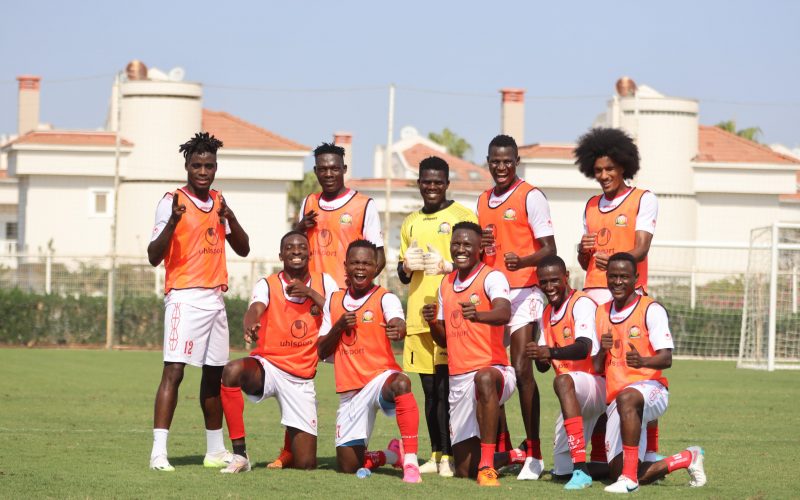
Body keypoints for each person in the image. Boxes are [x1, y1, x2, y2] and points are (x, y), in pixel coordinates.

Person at [147, 132, 250, 471]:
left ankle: (214, 449)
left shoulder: (219, 200)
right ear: (187, 167)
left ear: (216, 167)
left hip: (215, 298)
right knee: (174, 372)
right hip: (184, 297)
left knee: (214, 377)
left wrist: (231, 218)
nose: (203, 171)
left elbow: (243, 248)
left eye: (208, 166)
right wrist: (174, 222)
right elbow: (152, 255)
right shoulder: (171, 200)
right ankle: (158, 452)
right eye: (197, 166)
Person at [217, 231, 338, 472]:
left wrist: (311, 293)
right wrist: (250, 323)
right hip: (268, 367)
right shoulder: (268, 283)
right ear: (281, 254)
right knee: (231, 370)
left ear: (310, 253)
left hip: (301, 379)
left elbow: (340, 312)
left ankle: (289, 448)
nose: (296, 251)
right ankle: (240, 455)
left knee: (305, 465)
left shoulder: (325, 282)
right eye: (290, 248)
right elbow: (255, 307)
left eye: (302, 247)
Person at [574, 127, 662, 461]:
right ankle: (599, 451)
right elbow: (585, 260)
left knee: (636, 373)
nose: (604, 175)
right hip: (594, 296)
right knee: (597, 373)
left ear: (624, 166)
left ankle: (650, 449)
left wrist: (612, 262)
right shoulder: (591, 205)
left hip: (629, 296)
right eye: (597, 170)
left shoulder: (643, 198)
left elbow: (640, 249)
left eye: (610, 168)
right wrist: (583, 252)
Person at [476, 134, 556, 480]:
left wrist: (522, 259)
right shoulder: (482, 200)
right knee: (491, 371)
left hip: (526, 292)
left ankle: (535, 454)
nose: (501, 167)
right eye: (495, 161)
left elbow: (550, 248)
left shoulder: (530, 196)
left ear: (516, 160)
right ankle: (506, 448)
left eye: (507, 161)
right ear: (488, 162)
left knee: (521, 369)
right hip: (496, 295)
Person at [593, 253, 706, 493]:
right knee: (614, 470)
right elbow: (595, 367)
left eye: (624, 276)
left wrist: (642, 360)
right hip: (618, 399)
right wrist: (602, 352)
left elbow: (667, 358)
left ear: (636, 278)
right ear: (606, 277)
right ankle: (686, 457)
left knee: (628, 397)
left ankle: (629, 480)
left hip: (651, 390)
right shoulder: (601, 312)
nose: (618, 281)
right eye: (613, 276)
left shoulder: (651, 309)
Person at [397, 156, 477, 477]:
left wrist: (448, 266)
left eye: (438, 182)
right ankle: (435, 453)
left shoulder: (462, 216)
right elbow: (404, 276)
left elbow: (475, 260)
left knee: (447, 390)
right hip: (418, 316)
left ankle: (450, 456)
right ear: (419, 183)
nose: (431, 187)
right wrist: (406, 266)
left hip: (449, 317)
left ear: (447, 183)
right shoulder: (409, 222)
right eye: (426, 181)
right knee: (429, 391)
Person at [317, 240, 422, 483]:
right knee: (347, 466)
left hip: (379, 380)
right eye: (355, 262)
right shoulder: (332, 301)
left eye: (366, 263)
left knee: (401, 383)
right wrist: (339, 326)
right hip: (350, 392)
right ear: (345, 266)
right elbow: (321, 351)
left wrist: (399, 329)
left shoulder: (385, 298)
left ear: (376, 268)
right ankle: (390, 454)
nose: (360, 268)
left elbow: (397, 322)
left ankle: (411, 462)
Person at [422, 222, 516, 486]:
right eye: (456, 244)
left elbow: (504, 312)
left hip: (494, 371)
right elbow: (443, 341)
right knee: (464, 468)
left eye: (467, 245)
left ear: (479, 249)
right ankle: (508, 455)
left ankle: (488, 466)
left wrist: (479, 315)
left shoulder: (492, 277)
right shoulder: (445, 283)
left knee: (484, 379)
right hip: (459, 378)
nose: (460, 249)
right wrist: (432, 323)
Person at [526, 255, 606, 490]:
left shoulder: (581, 303)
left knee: (563, 380)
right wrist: (535, 352)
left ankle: (581, 470)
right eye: (544, 282)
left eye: (554, 280)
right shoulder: (546, 313)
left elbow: (584, 348)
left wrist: (549, 351)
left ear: (566, 277)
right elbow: (543, 365)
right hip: (571, 393)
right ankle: (612, 467)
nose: (549, 287)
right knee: (561, 471)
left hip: (596, 385)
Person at [295, 142, 385, 288]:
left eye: (334, 169)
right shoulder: (308, 202)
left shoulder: (364, 204)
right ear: (315, 171)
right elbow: (295, 247)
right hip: (312, 294)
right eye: (323, 169)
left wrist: (357, 286)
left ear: (344, 169)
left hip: (345, 294)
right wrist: (299, 228)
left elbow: (379, 258)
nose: (329, 174)